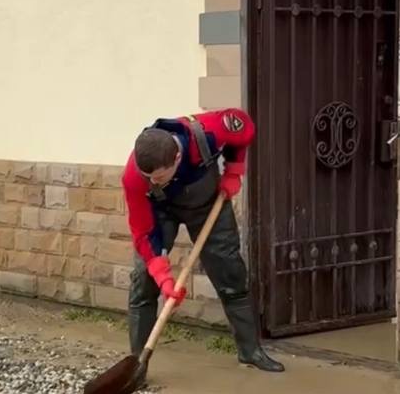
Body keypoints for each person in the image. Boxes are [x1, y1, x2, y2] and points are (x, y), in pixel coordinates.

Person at [121, 107, 284, 373]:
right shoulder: (134, 176)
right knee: (143, 281)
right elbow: (142, 231)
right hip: (160, 212)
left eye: (159, 177)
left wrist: (234, 169)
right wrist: (162, 275)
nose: (153, 181)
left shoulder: (208, 131)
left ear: (176, 157)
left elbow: (243, 128)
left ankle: (251, 351)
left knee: (231, 273)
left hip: (208, 205)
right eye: (148, 177)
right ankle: (137, 364)